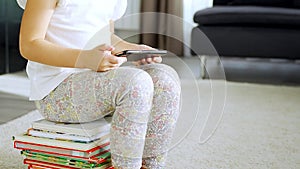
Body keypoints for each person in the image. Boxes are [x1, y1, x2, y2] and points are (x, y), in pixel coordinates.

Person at [17, 0, 181, 168]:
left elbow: (106, 38)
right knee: (135, 83)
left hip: (96, 81)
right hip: (55, 90)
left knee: (165, 79)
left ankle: (150, 166)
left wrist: (133, 49)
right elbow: (29, 44)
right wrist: (85, 59)